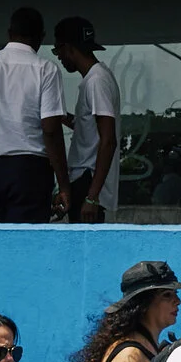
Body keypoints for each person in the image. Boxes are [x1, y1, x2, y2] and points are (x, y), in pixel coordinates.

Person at [0, 7, 72, 224]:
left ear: (9, 33)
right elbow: (51, 129)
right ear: (41, 37)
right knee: (27, 243)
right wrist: (64, 185)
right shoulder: (46, 69)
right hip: (30, 173)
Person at [53, 16, 119, 222]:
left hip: (88, 180)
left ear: (69, 48)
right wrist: (60, 116)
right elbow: (89, 128)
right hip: (84, 181)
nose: (59, 58)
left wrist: (91, 198)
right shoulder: (95, 78)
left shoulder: (97, 81)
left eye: (58, 51)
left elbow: (108, 140)